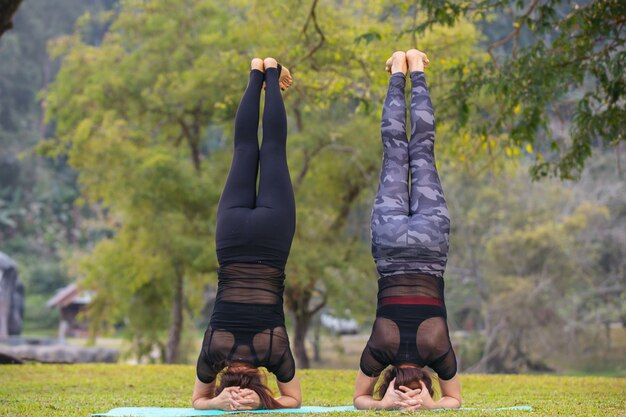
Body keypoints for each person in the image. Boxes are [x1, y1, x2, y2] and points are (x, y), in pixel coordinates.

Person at [353, 49, 462, 411]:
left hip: (429, 245)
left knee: (422, 151)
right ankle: (399, 70)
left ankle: (415, 66)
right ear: (388, 381)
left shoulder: (439, 351)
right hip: (389, 241)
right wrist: (384, 404)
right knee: (396, 150)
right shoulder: (379, 351)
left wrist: (431, 405)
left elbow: (455, 401)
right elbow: (359, 400)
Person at [192, 57, 301, 411]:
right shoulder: (213, 352)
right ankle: (257, 72)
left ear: (261, 379)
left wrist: (262, 401)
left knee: (272, 149)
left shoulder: (275, 350)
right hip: (232, 236)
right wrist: (217, 400)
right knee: (243, 150)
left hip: (271, 239)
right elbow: (197, 401)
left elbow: (294, 401)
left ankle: (271, 73)